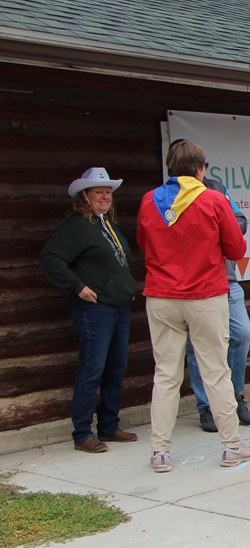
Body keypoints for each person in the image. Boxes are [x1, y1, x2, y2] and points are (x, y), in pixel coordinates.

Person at [137, 139, 250, 473]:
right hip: (204, 295)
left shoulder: (149, 201)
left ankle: (160, 452)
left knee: (166, 375)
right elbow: (236, 248)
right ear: (201, 168)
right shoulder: (213, 199)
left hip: (161, 297)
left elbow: (144, 244)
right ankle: (231, 446)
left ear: (170, 168)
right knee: (216, 371)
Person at [39, 168, 138, 453]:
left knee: (115, 367)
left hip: (117, 307)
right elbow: (50, 257)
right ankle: (82, 432)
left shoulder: (106, 224)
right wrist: (77, 286)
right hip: (95, 309)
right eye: (99, 192)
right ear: (85, 197)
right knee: (92, 369)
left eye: (108, 192)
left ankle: (108, 424)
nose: (105, 196)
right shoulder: (77, 226)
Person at [186, 178, 250, 433]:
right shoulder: (174, 194)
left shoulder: (217, 187)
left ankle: (234, 397)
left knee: (242, 335)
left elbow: (241, 222)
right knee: (198, 345)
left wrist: (217, 224)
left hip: (228, 281)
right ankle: (206, 406)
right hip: (196, 284)